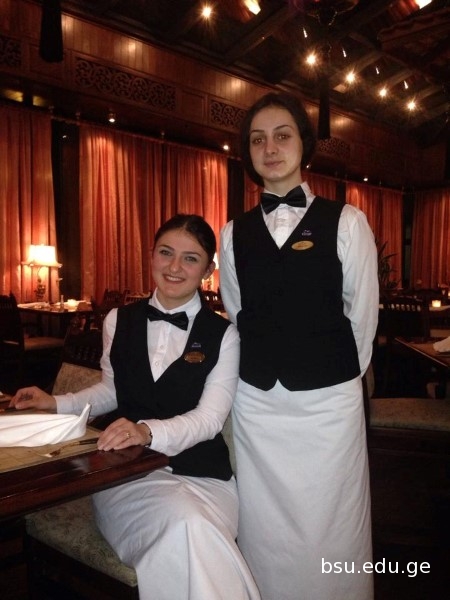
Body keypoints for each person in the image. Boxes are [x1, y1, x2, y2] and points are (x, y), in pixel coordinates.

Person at [11, 214, 261, 600]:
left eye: (190, 258)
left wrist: (146, 431)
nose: (174, 267)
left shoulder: (224, 335)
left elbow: (210, 419)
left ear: (208, 270)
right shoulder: (118, 320)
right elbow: (111, 391)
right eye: (166, 252)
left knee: (191, 524)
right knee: (190, 527)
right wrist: (55, 402)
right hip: (127, 475)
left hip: (205, 477)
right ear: (152, 256)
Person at [219, 92, 379, 600]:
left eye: (282, 135)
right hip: (258, 404)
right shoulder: (232, 233)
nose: (270, 148)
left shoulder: (347, 222)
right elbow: (239, 314)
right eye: (257, 140)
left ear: (303, 145)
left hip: (328, 404)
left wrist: (332, 374)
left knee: (334, 517)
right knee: (264, 523)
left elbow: (362, 319)